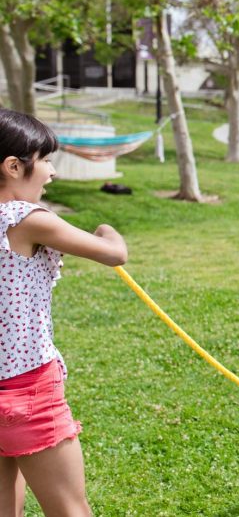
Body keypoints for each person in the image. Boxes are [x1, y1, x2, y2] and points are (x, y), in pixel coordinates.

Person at [0, 109, 128, 516]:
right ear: (14, 166)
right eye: (47, 159)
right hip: (28, 390)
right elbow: (114, 254)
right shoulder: (25, 218)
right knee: (70, 509)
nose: (52, 171)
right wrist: (106, 228)